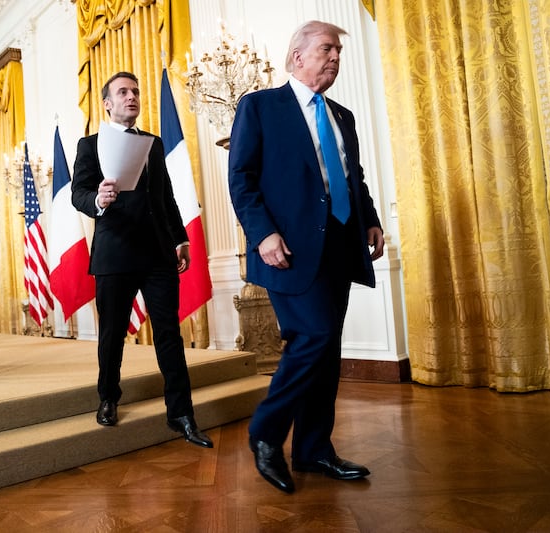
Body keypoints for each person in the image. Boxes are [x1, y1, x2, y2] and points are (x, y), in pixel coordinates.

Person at [228, 20, 385, 493]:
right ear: (297, 56)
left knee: (326, 349)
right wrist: (263, 235)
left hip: (339, 244)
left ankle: (315, 450)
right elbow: (242, 179)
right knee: (313, 337)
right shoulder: (259, 107)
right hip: (287, 250)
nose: (335, 57)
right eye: (326, 49)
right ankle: (265, 433)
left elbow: (352, 178)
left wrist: (371, 219)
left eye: (338, 51)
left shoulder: (342, 116)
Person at [71, 71, 213, 448]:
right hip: (114, 253)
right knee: (112, 334)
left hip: (157, 252)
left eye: (135, 91)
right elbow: (78, 194)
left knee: (169, 333)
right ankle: (108, 399)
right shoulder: (90, 145)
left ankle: (181, 413)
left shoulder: (153, 143)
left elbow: (165, 197)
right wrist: (97, 200)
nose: (131, 97)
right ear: (107, 103)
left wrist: (180, 238)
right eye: (123, 92)